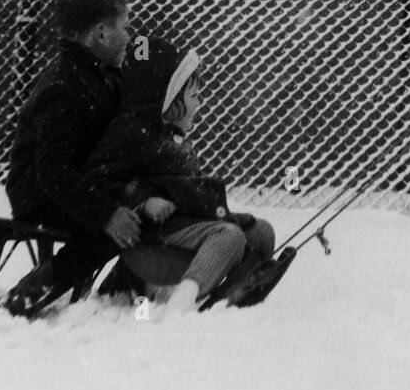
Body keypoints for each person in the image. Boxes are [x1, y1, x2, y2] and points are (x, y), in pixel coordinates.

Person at [84, 36, 280, 312]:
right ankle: (182, 301)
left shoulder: (176, 142)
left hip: (180, 229)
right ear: (168, 98)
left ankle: (231, 295)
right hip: (150, 240)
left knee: (260, 232)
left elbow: (189, 198)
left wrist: (233, 217)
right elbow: (96, 179)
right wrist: (142, 201)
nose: (199, 104)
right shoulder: (130, 132)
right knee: (230, 236)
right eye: (194, 96)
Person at [3, 0, 138, 316]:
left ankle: (118, 290)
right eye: (125, 26)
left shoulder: (99, 75)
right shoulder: (65, 84)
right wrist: (106, 213)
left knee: (146, 204)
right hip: (38, 194)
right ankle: (29, 294)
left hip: (73, 185)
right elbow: (52, 170)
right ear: (102, 33)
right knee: (126, 222)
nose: (130, 36)